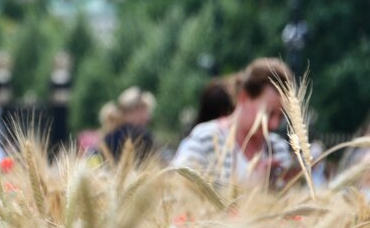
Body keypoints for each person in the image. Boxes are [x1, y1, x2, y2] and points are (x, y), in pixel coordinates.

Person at [172, 57, 297, 188]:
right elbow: (177, 192)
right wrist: (251, 187)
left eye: (281, 116)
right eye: (268, 113)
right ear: (243, 97)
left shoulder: (277, 147)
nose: (274, 124)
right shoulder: (206, 139)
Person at [102, 86, 156, 160]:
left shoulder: (108, 136)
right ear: (134, 111)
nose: (148, 117)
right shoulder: (143, 136)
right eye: (145, 110)